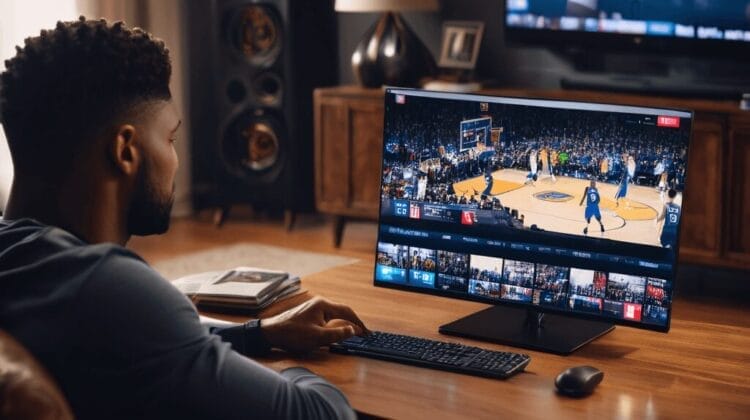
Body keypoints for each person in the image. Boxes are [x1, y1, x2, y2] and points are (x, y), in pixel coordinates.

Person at [0, 17, 366, 419]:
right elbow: (322, 415)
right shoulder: (106, 286)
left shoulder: (29, 271)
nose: (176, 161)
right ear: (125, 150)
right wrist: (293, 371)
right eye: (170, 138)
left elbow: (123, 335)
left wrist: (259, 335)